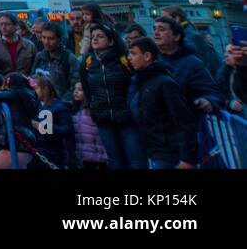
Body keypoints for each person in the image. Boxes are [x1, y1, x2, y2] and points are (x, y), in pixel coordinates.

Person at [127, 36, 198, 169]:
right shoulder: (143, 81)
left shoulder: (164, 83)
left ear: (147, 56)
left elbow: (184, 121)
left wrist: (187, 158)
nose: (129, 58)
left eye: (133, 53)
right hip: (156, 150)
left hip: (169, 153)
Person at [79, 24, 144, 169]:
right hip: (104, 118)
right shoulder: (87, 62)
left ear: (111, 41)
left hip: (127, 118)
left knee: (136, 160)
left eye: (100, 36)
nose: (95, 39)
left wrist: (131, 107)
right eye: (93, 37)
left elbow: (135, 83)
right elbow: (86, 87)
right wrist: (93, 105)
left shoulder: (124, 59)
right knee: (115, 161)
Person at [152, 16, 220, 112]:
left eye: (162, 29)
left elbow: (212, 92)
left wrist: (208, 101)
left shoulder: (192, 63)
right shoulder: (153, 61)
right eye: (155, 29)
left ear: (176, 36)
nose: (156, 33)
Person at [0, 72, 38, 169]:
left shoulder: (13, 93)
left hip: (19, 144)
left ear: (8, 83)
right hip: (21, 142)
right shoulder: (23, 96)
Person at [161, 5, 222, 77]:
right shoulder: (182, 35)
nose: (161, 22)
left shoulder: (193, 37)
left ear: (177, 19)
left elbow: (203, 66)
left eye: (164, 19)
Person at [32, 76, 74, 169]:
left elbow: (67, 130)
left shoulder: (60, 107)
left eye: (36, 88)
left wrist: (43, 126)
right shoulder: (38, 107)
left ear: (45, 89)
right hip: (40, 153)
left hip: (55, 155)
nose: (34, 92)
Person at [31, 21, 77, 100]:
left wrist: (62, 102)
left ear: (59, 39)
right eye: (44, 37)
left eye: (51, 39)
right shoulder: (40, 56)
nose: (46, 42)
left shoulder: (69, 58)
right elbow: (32, 79)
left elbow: (75, 86)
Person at [71, 80, 108, 168]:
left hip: (96, 153)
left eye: (80, 90)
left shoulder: (93, 110)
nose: (76, 92)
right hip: (83, 153)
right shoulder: (74, 110)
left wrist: (103, 154)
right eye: (75, 89)